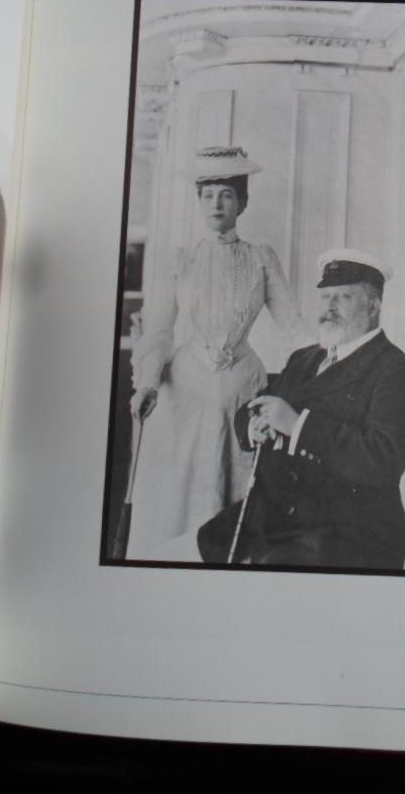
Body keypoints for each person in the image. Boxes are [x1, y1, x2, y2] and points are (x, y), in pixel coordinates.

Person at [126, 146, 312, 559]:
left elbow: (293, 324)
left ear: (242, 202)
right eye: (208, 194)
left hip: (241, 392)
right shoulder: (181, 260)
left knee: (234, 502)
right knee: (179, 496)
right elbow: (159, 331)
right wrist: (148, 383)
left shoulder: (260, 258)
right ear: (198, 200)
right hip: (185, 394)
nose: (217, 204)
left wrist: (329, 366)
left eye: (226, 194)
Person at [196, 249, 405, 570]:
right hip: (279, 511)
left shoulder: (396, 370)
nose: (329, 307)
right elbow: (255, 407)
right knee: (205, 542)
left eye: (343, 297)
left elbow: (381, 462)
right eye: (325, 297)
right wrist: (255, 424)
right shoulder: (304, 359)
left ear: (373, 306)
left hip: (351, 527)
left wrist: (297, 426)